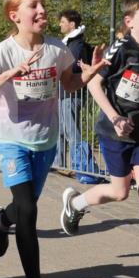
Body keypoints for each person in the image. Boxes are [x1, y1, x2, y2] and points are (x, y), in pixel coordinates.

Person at [0, 0, 104, 278]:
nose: (43, 10)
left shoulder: (57, 49)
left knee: (23, 206)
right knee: (29, 212)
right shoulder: (2, 52)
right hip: (11, 141)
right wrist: (10, 73)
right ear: (15, 15)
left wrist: (88, 74)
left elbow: (69, 83)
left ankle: (2, 221)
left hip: (45, 142)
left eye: (43, 4)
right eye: (34, 6)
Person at [59, 0, 139, 278]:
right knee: (119, 192)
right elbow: (95, 85)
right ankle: (75, 204)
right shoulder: (120, 49)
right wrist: (115, 117)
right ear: (129, 21)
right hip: (113, 131)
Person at [58, 10, 96, 184]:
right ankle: (59, 163)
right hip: (64, 93)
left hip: (72, 93)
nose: (60, 25)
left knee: (72, 130)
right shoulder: (70, 43)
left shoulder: (76, 44)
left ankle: (81, 165)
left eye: (63, 22)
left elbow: (72, 67)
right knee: (61, 129)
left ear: (72, 24)